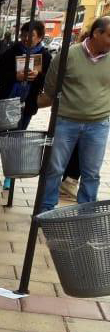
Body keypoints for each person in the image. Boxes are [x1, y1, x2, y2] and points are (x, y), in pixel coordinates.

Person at [36, 16, 110, 209]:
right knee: (54, 169)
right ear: (97, 33)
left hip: (98, 125)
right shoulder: (68, 55)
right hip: (65, 121)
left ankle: (85, 214)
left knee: (92, 173)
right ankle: (45, 211)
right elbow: (50, 88)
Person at [0, 20, 52, 188]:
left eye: (31, 35)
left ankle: (9, 177)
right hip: (5, 103)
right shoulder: (11, 52)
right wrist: (15, 76)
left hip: (26, 105)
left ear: (40, 37)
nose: (26, 38)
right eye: (23, 34)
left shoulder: (46, 57)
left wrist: (37, 77)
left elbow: (49, 82)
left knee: (16, 140)